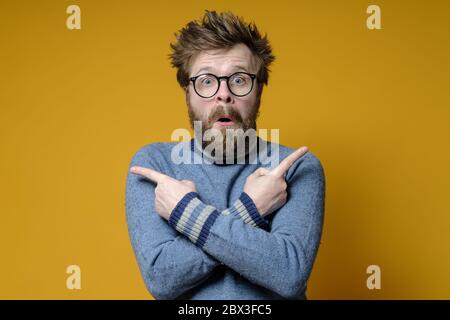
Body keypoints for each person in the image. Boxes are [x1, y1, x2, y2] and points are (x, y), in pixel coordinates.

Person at [125, 10, 325, 300]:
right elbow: (162, 279)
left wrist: (185, 213)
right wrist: (251, 209)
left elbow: (289, 273)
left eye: (240, 80)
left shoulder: (295, 167)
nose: (223, 94)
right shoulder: (155, 165)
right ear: (187, 91)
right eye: (207, 81)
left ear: (259, 89)